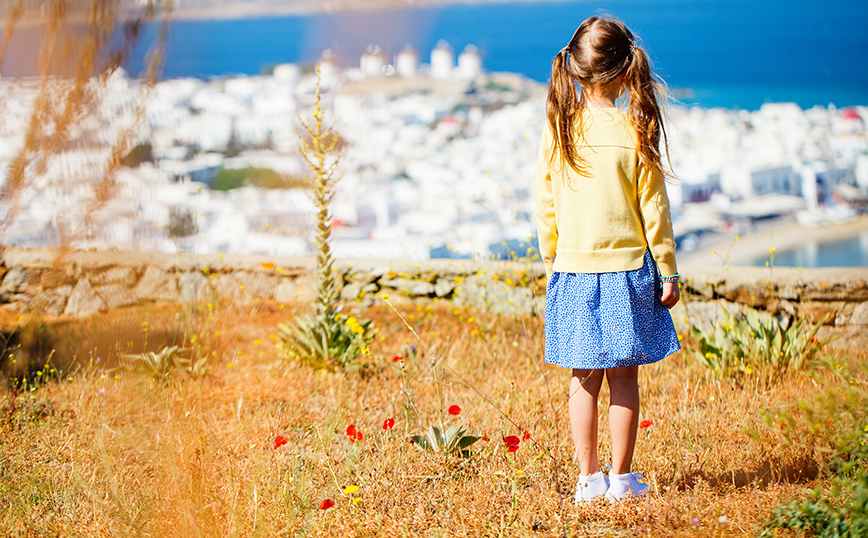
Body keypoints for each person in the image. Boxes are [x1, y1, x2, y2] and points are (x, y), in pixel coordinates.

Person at [534, 16, 681, 504]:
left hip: (573, 269)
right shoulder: (634, 129)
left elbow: (544, 205)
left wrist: (552, 258)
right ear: (624, 71)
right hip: (628, 271)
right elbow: (654, 209)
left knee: (584, 376)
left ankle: (587, 479)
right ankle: (622, 479)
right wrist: (669, 269)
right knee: (624, 377)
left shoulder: (559, 130)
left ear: (575, 70)